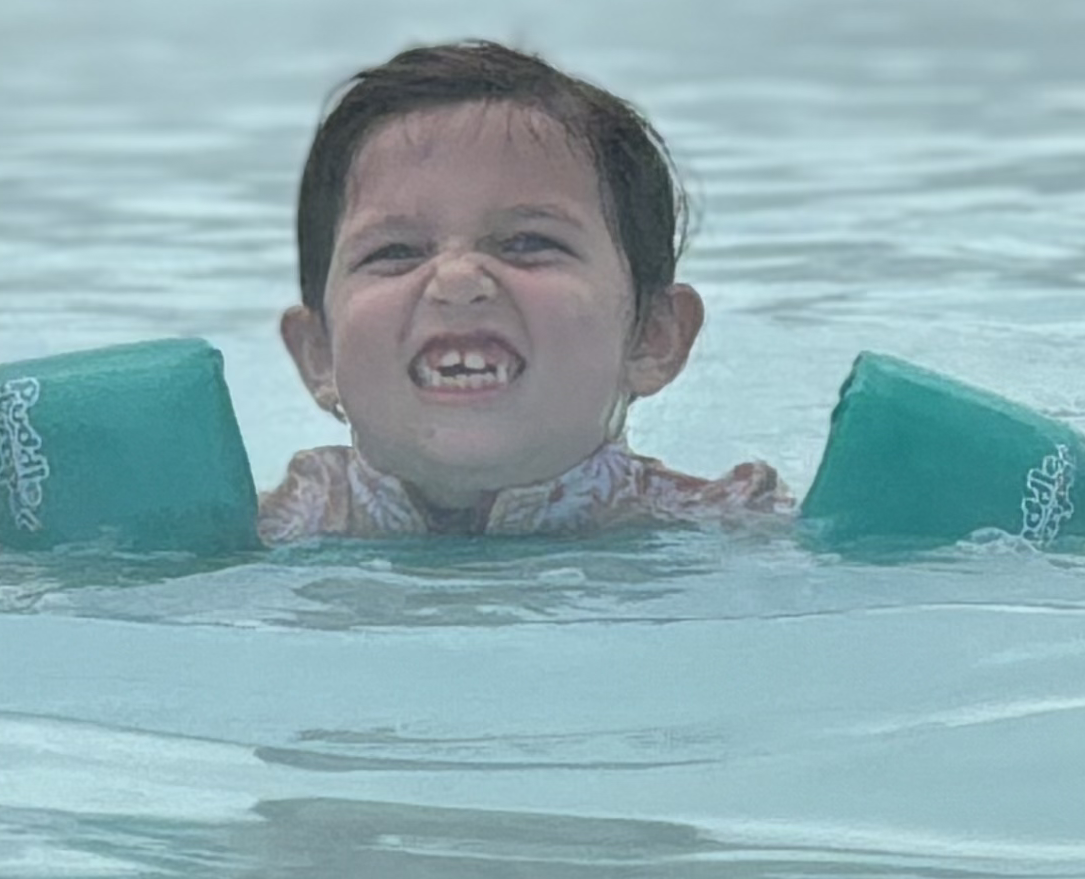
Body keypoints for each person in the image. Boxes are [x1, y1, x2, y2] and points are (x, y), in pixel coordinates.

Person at [258, 41, 791, 546]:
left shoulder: (737, 529)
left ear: (652, 337)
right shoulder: (255, 534)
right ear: (320, 354)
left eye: (527, 243)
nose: (458, 281)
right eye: (395, 252)